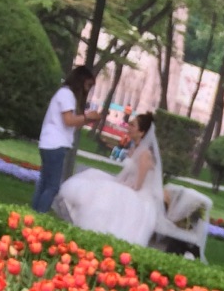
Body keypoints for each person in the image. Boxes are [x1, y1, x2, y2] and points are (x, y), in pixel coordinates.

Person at [53, 112, 163, 247]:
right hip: (130, 186)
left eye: (133, 125)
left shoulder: (144, 154)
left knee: (108, 193)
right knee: (94, 176)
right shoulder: (134, 149)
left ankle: (93, 228)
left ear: (141, 132)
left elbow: (138, 186)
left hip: (141, 195)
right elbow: (127, 175)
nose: (128, 127)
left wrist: (121, 186)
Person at [33, 65, 99, 214]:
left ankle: (33, 213)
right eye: (88, 85)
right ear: (81, 80)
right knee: (52, 186)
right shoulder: (66, 94)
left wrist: (86, 120)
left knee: (44, 183)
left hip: (51, 143)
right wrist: (88, 116)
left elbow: (72, 125)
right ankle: (39, 214)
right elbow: (69, 121)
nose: (87, 90)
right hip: (55, 144)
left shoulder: (64, 94)